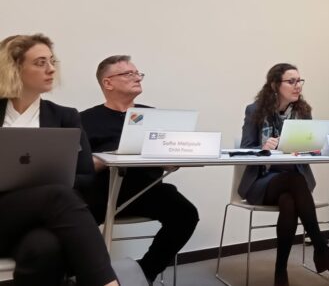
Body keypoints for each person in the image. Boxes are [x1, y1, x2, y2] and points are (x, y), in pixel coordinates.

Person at [0, 34, 120, 286]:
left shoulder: (65, 117)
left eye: (52, 61)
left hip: (40, 219)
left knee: (46, 247)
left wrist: (41, 190)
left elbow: (86, 176)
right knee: (57, 195)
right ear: (14, 67)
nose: (51, 69)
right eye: (40, 62)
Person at [79, 55, 198, 284]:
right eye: (128, 74)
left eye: (137, 73)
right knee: (73, 225)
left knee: (186, 214)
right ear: (108, 83)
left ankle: (144, 272)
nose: (136, 78)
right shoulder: (85, 119)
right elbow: (80, 167)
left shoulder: (155, 116)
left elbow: (166, 159)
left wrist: (172, 159)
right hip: (101, 193)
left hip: (146, 190)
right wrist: (112, 156)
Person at [239, 63, 329, 286]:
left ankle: (281, 273)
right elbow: (244, 149)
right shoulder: (254, 110)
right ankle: (321, 248)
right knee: (294, 182)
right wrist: (264, 146)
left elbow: (310, 148)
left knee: (289, 200)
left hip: (294, 183)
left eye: (299, 81)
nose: (297, 86)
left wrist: (311, 146)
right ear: (274, 85)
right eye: (291, 81)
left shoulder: (303, 111)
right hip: (262, 182)